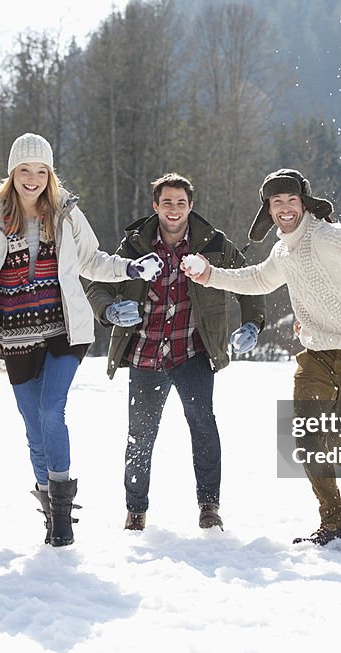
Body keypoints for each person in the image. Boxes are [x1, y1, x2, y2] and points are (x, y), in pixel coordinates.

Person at [0, 133, 162, 547]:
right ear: (13, 174)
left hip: (65, 330)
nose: (33, 179)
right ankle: (48, 505)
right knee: (33, 426)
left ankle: (63, 516)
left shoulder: (65, 214)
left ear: (50, 175)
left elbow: (92, 260)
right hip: (15, 336)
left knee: (51, 411)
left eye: (41, 171)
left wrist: (130, 270)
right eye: (25, 171)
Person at [185, 168, 341, 546]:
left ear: (304, 203)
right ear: (268, 209)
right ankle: (334, 520)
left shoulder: (327, 236)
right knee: (309, 436)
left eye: (290, 200)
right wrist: (210, 276)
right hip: (317, 353)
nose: (284, 208)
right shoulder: (282, 251)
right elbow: (256, 280)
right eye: (276, 202)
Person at [86, 173, 266, 532]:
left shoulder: (213, 245)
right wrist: (108, 311)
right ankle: (135, 509)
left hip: (193, 353)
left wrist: (252, 324)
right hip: (146, 354)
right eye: (167, 202)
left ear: (190, 206)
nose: (173, 209)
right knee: (140, 435)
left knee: (203, 428)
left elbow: (247, 282)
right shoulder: (134, 246)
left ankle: (209, 505)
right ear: (155, 206)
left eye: (181, 203)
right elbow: (97, 283)